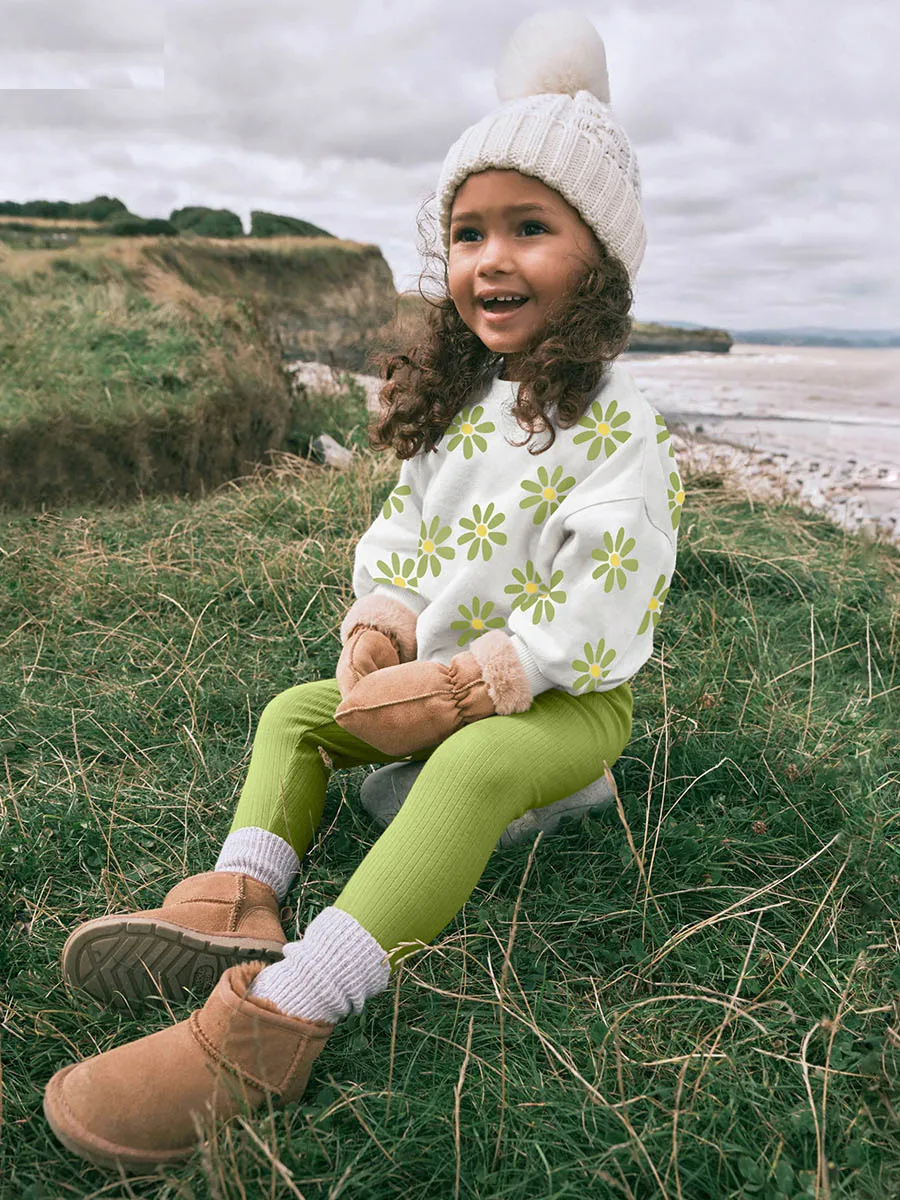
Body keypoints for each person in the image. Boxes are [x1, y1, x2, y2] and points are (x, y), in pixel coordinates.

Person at [43, 9, 683, 1170]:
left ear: (603, 254)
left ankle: (282, 1014)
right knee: (297, 710)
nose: (492, 258)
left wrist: (487, 680)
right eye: (470, 231)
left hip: (561, 707)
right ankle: (238, 896)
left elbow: (610, 586)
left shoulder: (622, 427)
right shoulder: (462, 412)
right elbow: (400, 535)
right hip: (429, 688)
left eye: (531, 228)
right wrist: (383, 629)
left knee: (485, 763)